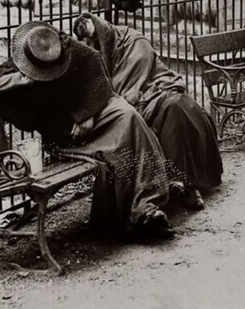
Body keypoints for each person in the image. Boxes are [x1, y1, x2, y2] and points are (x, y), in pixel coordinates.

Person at [0, 21, 174, 239]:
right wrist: (23, 79)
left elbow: (95, 65)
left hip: (90, 122)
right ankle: (135, 214)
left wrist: (88, 112)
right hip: (63, 137)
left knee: (130, 118)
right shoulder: (21, 63)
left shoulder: (66, 48)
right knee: (119, 146)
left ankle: (148, 204)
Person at [73, 13, 223, 210]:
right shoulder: (91, 58)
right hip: (127, 107)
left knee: (178, 106)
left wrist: (136, 92)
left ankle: (186, 183)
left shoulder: (132, 39)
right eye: (87, 42)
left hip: (154, 89)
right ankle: (174, 185)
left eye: (95, 40)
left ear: (103, 33)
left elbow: (144, 73)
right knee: (165, 111)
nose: (93, 46)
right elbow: (98, 90)